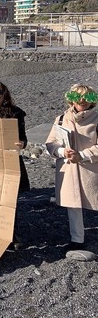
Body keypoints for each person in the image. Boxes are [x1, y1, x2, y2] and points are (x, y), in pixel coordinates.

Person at [46, 84, 98, 251]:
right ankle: (77, 239)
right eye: (77, 98)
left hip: (91, 170)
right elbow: (50, 143)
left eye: (86, 98)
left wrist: (81, 155)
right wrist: (62, 151)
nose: (81, 101)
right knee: (73, 206)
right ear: (71, 100)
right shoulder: (61, 118)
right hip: (69, 170)